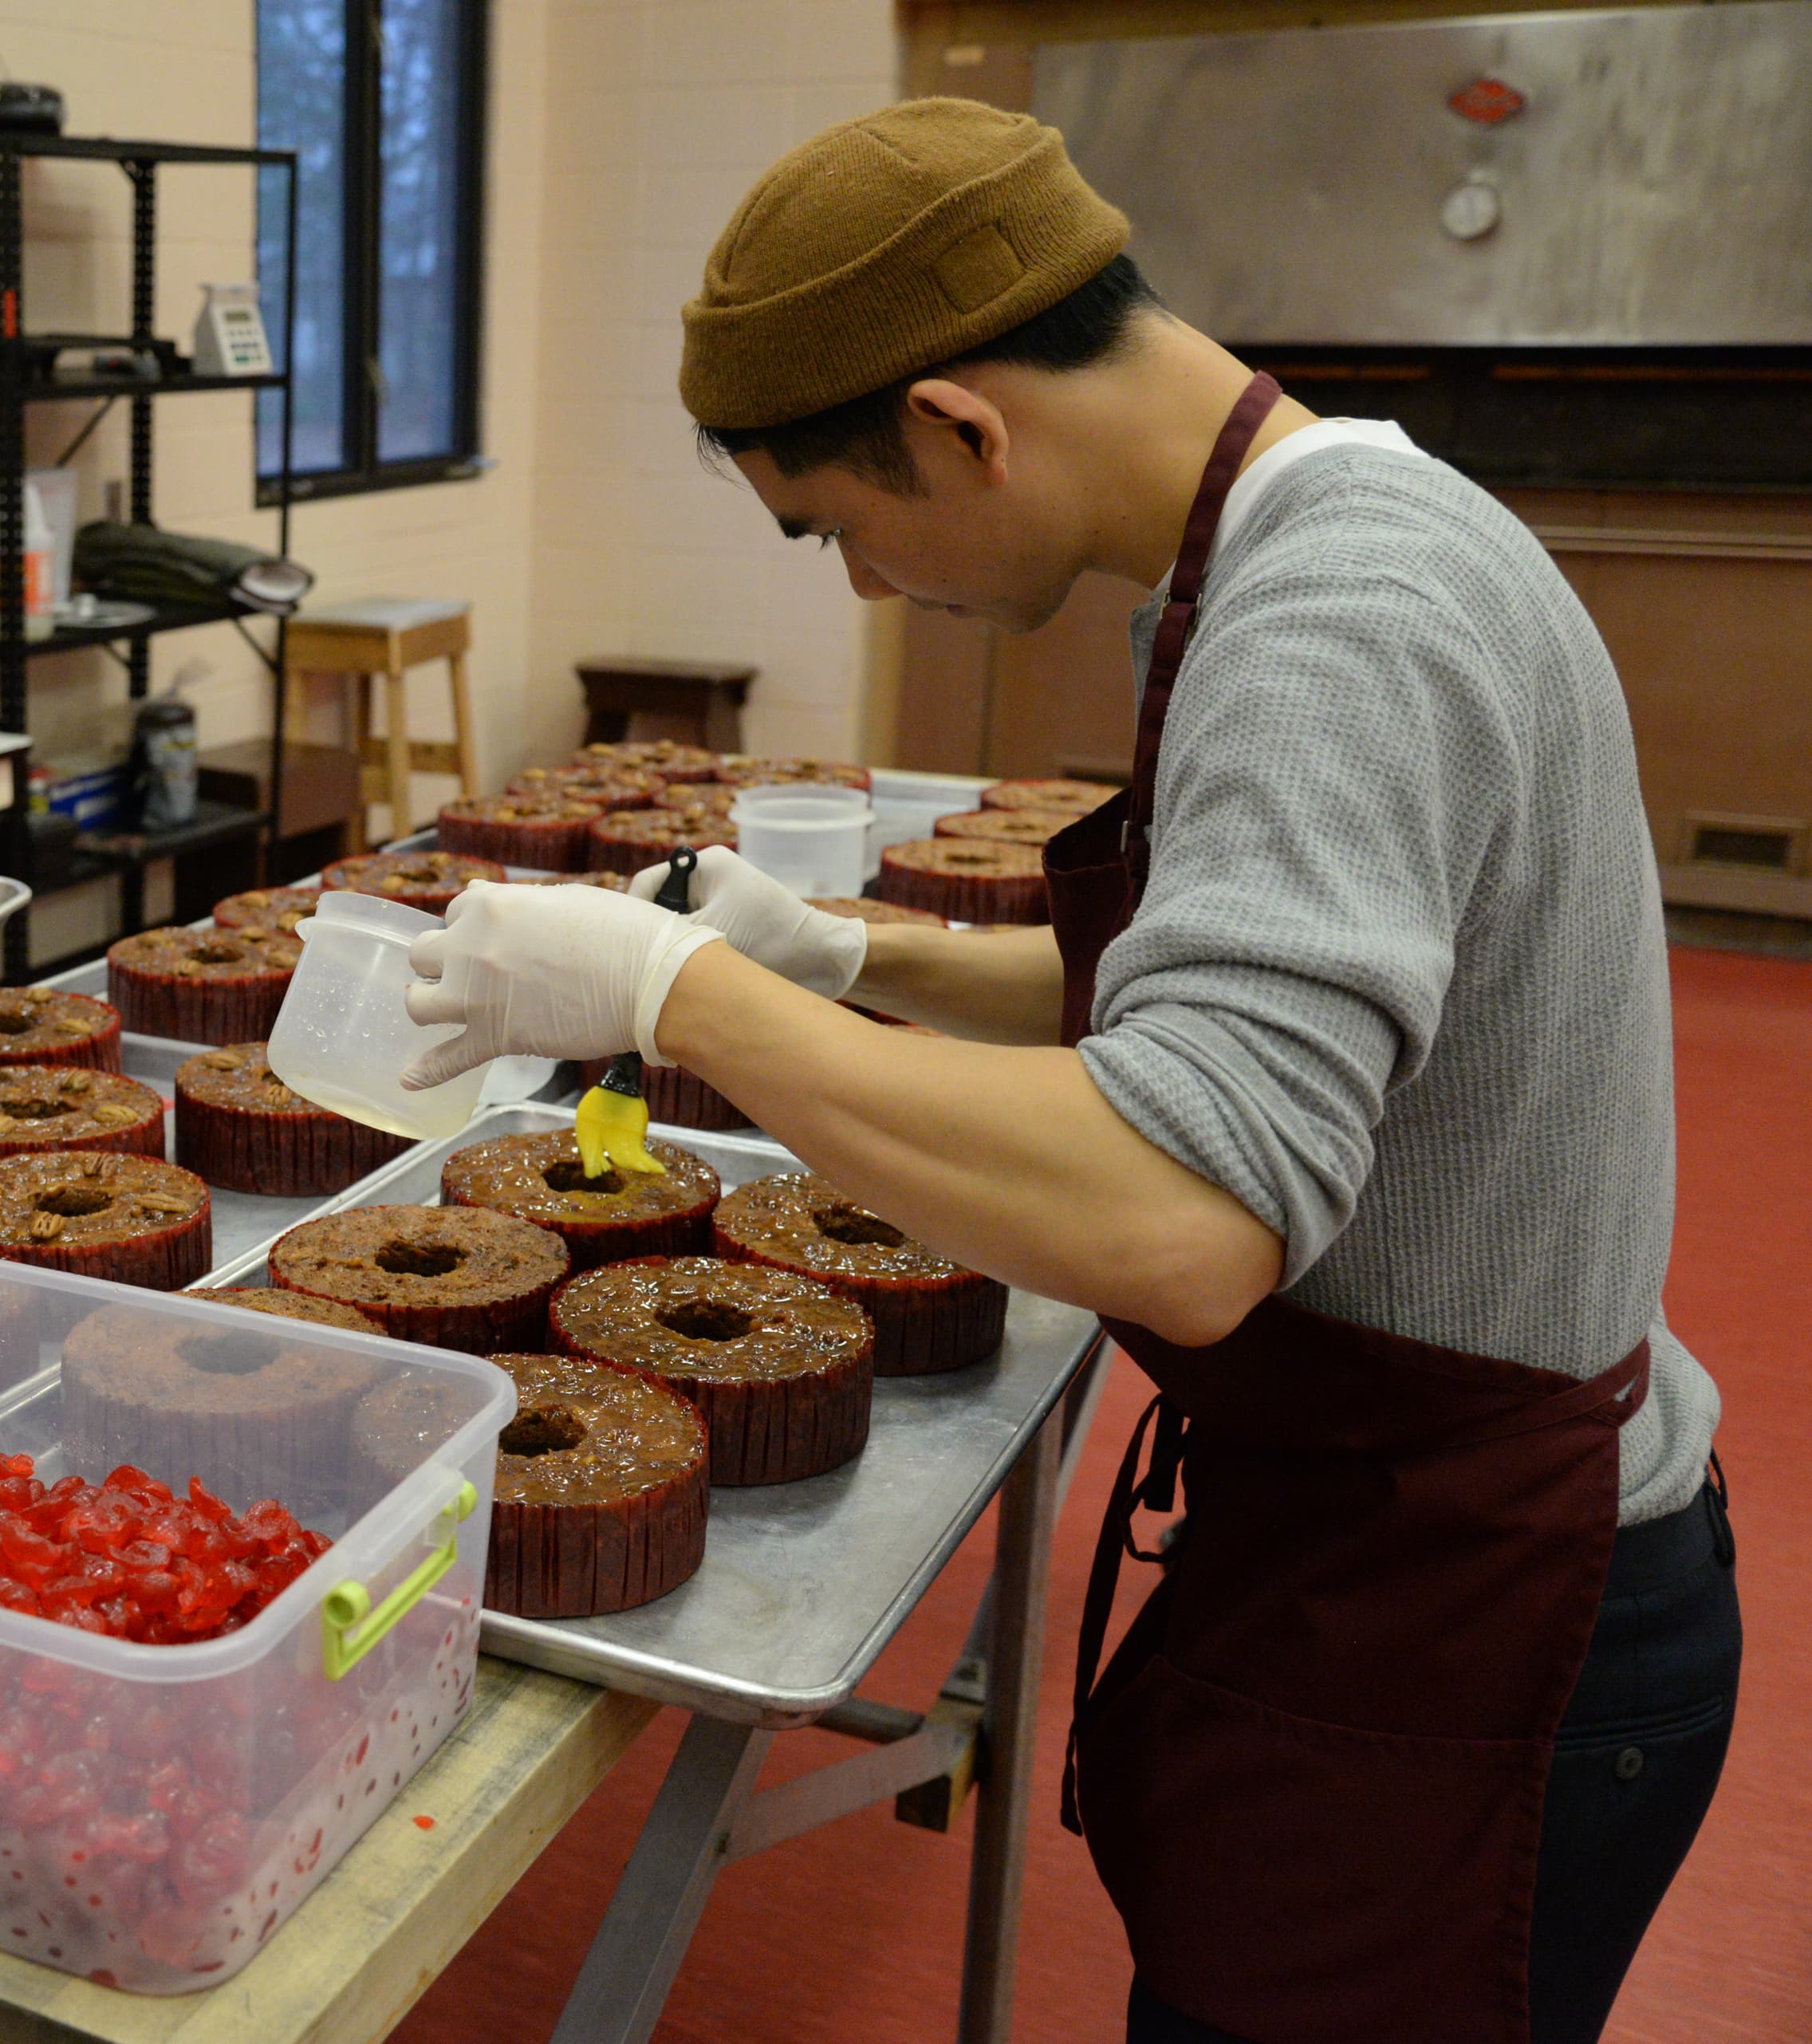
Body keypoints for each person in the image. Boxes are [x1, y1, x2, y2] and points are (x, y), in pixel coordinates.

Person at [400, 101, 1735, 2044]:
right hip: (1401, 1530)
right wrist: (852, 956)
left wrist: (682, 994)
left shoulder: (1345, 621)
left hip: (1501, 1615)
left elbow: (1186, 1214)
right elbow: (1213, 1009)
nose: (861, 587)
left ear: (961, 422)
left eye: (839, 525)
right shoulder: (1307, 527)